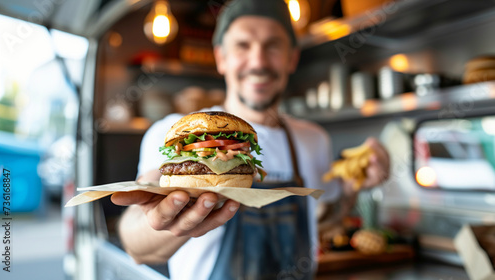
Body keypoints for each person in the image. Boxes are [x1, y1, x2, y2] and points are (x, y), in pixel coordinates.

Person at [111, 0, 390, 279]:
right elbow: (137, 246)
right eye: (242, 45)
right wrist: (161, 223)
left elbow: (323, 221)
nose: (258, 61)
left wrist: (355, 186)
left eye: (273, 45)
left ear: (292, 58)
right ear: (221, 58)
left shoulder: (314, 139)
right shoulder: (173, 131)